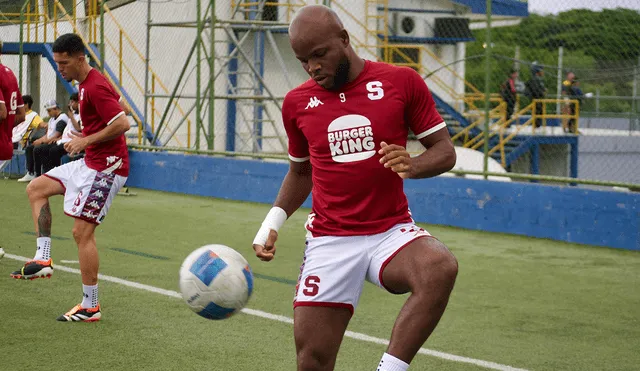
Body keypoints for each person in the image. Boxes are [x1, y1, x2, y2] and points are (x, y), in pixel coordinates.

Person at [251, 6, 458, 371]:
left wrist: (413, 164)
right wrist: (271, 223)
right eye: (303, 60)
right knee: (313, 361)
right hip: (330, 239)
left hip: (390, 232)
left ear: (344, 40)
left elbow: (444, 151)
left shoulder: (401, 81)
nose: (312, 67)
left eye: (319, 55)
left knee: (439, 267)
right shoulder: (297, 103)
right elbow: (301, 173)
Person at [11, 33, 131, 324]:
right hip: (90, 163)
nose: (60, 68)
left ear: (80, 58)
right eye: (57, 62)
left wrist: (86, 140)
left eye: (64, 63)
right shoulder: (86, 85)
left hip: (108, 168)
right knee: (36, 188)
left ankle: (91, 306)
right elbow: (121, 110)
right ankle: (43, 260)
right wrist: (86, 135)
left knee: (81, 233)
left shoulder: (95, 85)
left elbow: (124, 122)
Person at [0, 40, 26, 162]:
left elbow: (2, 112)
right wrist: (6, 128)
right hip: (6, 144)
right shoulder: (10, 74)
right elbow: (21, 115)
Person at [525, 64, 546, 129]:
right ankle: (536, 126)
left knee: (538, 114)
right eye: (541, 70)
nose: (543, 72)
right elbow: (536, 90)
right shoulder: (535, 79)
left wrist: (543, 90)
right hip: (537, 100)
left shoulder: (538, 79)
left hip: (538, 101)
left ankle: (537, 126)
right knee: (537, 114)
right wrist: (542, 92)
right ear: (537, 71)